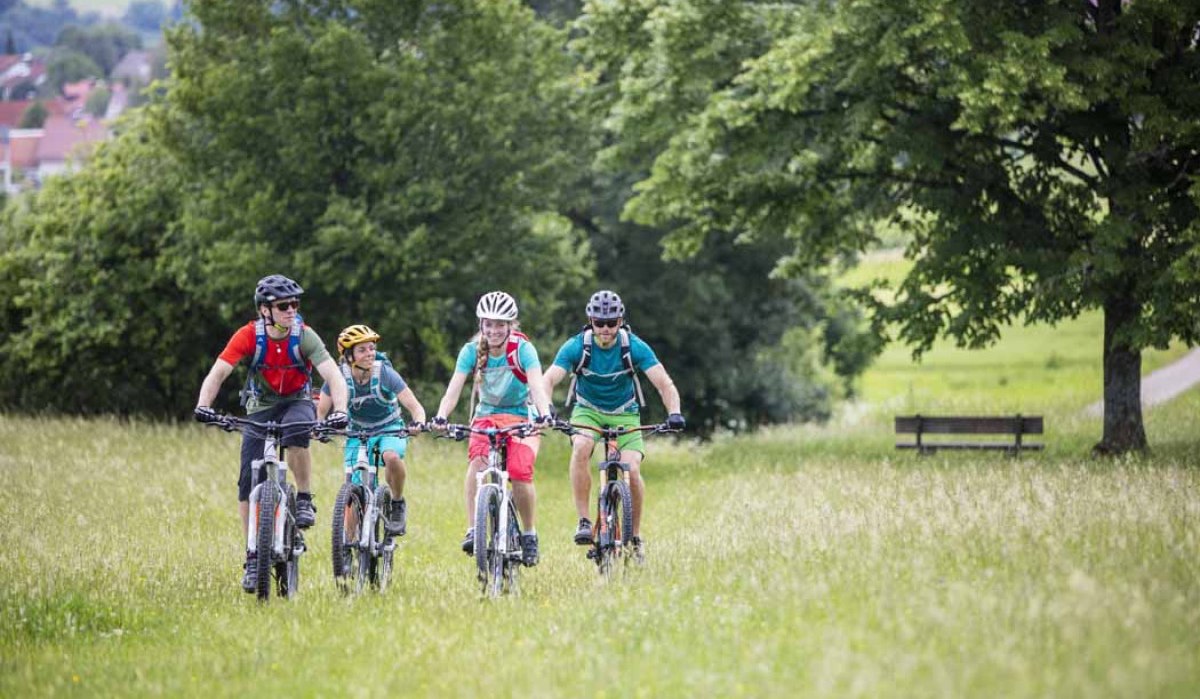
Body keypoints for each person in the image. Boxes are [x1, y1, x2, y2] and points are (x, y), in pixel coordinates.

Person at [194, 274, 349, 592]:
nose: (292, 310)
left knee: (296, 434)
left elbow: (333, 375)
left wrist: (341, 410)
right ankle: (253, 557)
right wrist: (203, 404)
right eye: (283, 305)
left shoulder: (304, 336)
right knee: (247, 481)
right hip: (260, 407)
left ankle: (304, 497)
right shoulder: (249, 335)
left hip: (297, 402)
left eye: (295, 304)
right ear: (265, 310)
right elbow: (220, 370)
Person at [542, 289, 685, 561]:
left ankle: (635, 537)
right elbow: (548, 380)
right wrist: (547, 409)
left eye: (611, 323)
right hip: (588, 411)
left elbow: (664, 384)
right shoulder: (576, 346)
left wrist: (674, 412)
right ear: (590, 320)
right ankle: (584, 520)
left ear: (620, 322)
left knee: (631, 468)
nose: (605, 329)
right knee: (582, 446)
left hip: (625, 413)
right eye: (599, 322)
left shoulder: (634, 346)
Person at [431, 291, 555, 566]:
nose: (494, 330)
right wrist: (441, 415)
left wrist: (544, 414)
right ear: (481, 326)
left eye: (501, 324)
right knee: (477, 464)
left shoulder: (523, 349)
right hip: (486, 417)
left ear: (511, 325)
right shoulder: (470, 352)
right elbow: (453, 391)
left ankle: (529, 533)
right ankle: (473, 527)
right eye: (489, 324)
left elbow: (536, 384)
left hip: (522, 417)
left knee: (520, 472)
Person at [317, 323, 427, 536]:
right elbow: (320, 411)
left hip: (390, 428)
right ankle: (346, 546)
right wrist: (318, 426)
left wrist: (418, 423)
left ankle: (396, 503)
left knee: (392, 457)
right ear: (348, 356)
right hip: (357, 432)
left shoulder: (385, 373)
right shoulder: (338, 378)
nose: (370, 353)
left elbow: (416, 408)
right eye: (362, 349)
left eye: (371, 348)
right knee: (354, 490)